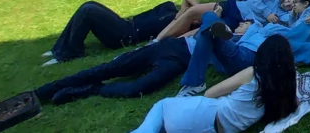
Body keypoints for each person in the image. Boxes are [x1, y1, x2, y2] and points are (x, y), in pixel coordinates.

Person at [130, 35, 298, 133]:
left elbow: (209, 93)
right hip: (220, 128)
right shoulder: (285, 86)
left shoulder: (252, 73)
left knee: (162, 105)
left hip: (207, 115)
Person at [177, 0, 310, 97]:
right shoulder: (267, 24)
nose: (291, 5)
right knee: (208, 29)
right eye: (290, 1)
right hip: (230, 55)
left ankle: (195, 82)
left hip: (246, 55)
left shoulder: (275, 27)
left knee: (210, 20)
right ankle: (217, 28)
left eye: (295, 3)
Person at [35, 37, 195, 105]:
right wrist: (156, 41)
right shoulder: (212, 12)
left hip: (179, 60)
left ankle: (91, 89)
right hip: (170, 46)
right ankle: (41, 93)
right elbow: (192, 14)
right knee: (108, 69)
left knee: (138, 88)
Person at [41, 0, 179, 66]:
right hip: (126, 23)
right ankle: (60, 48)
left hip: (125, 35)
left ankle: (69, 53)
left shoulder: (178, 21)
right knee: (88, 4)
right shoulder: (172, 9)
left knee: (88, 10)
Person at [154, 0, 291, 42]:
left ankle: (167, 42)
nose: (289, 4)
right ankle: (156, 40)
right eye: (291, 0)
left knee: (202, 30)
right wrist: (267, 13)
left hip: (238, 20)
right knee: (192, 11)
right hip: (233, 6)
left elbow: (288, 25)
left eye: (293, 5)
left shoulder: (285, 15)